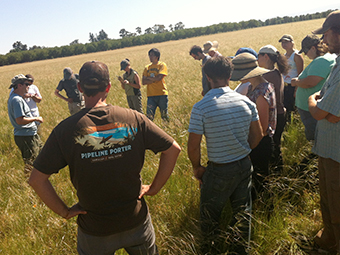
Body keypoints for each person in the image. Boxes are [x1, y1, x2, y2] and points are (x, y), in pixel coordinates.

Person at [29, 61, 181, 255]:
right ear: (108, 86)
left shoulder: (65, 130)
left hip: (95, 230)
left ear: (79, 87)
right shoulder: (134, 118)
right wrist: (154, 188)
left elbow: (36, 179)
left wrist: (65, 211)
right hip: (136, 222)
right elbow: (173, 149)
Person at [188, 56, 263, 254]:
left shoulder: (201, 107)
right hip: (244, 165)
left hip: (219, 169)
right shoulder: (246, 101)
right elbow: (258, 135)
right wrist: (242, 150)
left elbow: (193, 146)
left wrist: (197, 168)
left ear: (207, 76)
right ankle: (240, 250)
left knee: (210, 215)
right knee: (242, 213)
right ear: (230, 75)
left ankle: (211, 250)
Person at [308, 10, 340, 254]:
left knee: (336, 199)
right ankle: (329, 238)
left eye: (327, 33)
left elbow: (319, 111)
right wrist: (326, 108)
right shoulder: (337, 62)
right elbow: (329, 111)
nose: (324, 39)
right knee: (328, 197)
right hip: (329, 146)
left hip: (336, 152)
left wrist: (313, 101)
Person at [231, 53, 276, 196]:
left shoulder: (260, 93)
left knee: (260, 180)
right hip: (258, 141)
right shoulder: (255, 87)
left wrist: (250, 146)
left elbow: (262, 129)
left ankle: (264, 208)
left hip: (260, 142)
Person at [291, 34, 336, 141]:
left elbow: (310, 82)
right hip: (312, 107)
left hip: (311, 108)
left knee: (315, 133)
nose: (305, 55)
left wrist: (296, 82)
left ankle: (317, 153)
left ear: (313, 48)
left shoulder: (322, 61)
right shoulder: (328, 57)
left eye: (306, 51)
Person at [257, 45, 289, 172]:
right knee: (276, 145)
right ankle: (279, 172)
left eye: (259, 56)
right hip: (281, 113)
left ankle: (277, 172)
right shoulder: (276, 72)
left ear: (265, 56)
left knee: (272, 147)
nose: (257, 59)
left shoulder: (267, 76)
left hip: (274, 116)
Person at [7, 74, 43, 167]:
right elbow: (20, 120)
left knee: (38, 158)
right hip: (26, 136)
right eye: (26, 84)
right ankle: (30, 180)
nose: (29, 86)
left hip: (28, 134)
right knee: (31, 163)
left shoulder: (17, 98)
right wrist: (36, 118)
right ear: (19, 85)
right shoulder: (17, 100)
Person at [279, 34, 304, 123]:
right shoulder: (283, 56)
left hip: (293, 85)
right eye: (282, 42)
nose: (284, 44)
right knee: (286, 106)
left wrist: (297, 88)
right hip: (285, 85)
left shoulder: (296, 55)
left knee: (293, 107)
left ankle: (294, 124)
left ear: (292, 42)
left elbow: (301, 73)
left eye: (286, 42)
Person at [142, 48, 169, 121]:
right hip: (151, 95)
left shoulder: (162, 65)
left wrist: (149, 78)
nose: (150, 57)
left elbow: (159, 78)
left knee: (164, 115)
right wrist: (154, 78)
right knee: (149, 116)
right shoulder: (147, 67)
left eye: (152, 55)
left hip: (161, 94)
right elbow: (143, 82)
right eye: (149, 55)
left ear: (157, 56)